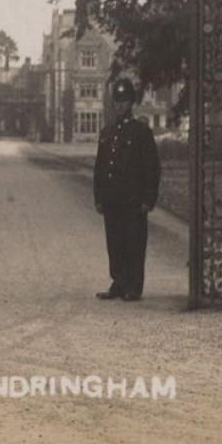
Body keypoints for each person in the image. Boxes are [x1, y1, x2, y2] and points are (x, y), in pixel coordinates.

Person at [93, 78, 161, 301]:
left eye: (123, 101)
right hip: (113, 198)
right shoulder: (108, 132)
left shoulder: (141, 132)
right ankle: (118, 281)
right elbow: (100, 167)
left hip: (133, 199)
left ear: (131, 103)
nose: (119, 105)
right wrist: (99, 197)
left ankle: (133, 286)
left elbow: (152, 167)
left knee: (134, 241)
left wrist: (148, 199)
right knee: (114, 241)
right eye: (116, 101)